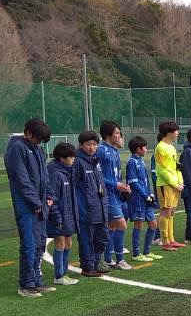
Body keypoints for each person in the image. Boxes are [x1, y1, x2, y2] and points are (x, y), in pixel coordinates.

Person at [5, 119, 53, 297]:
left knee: (40, 243)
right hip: (27, 206)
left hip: (40, 204)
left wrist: (49, 195)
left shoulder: (38, 149)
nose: (39, 142)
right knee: (29, 244)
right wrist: (34, 202)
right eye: (37, 138)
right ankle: (26, 285)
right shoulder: (17, 148)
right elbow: (21, 179)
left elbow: (45, 177)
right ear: (27, 133)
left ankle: (37, 281)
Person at [74, 130, 111, 277]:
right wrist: (80, 207)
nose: (92, 147)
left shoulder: (95, 160)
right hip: (86, 210)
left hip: (100, 208)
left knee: (103, 237)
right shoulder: (78, 162)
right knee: (87, 240)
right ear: (81, 145)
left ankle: (95, 263)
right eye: (88, 144)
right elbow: (74, 187)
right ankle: (87, 267)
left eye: (94, 144)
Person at [97, 121, 133, 269]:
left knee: (111, 226)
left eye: (119, 133)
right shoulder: (101, 150)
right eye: (116, 133)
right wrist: (115, 185)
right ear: (108, 135)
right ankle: (120, 260)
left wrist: (122, 185)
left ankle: (107, 259)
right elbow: (97, 175)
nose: (119, 136)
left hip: (116, 194)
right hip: (107, 195)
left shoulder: (114, 151)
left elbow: (114, 175)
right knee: (121, 224)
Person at [45, 142, 80, 286]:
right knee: (60, 243)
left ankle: (64, 273)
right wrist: (56, 217)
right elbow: (51, 198)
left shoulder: (67, 171)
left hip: (67, 215)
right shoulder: (55, 173)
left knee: (68, 242)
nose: (73, 160)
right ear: (62, 158)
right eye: (71, 158)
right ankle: (59, 276)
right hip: (58, 216)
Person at [124, 136, 162, 262]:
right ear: (138, 149)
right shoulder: (131, 162)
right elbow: (133, 183)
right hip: (137, 199)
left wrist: (150, 193)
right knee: (138, 224)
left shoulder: (141, 161)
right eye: (144, 147)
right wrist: (145, 195)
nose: (146, 149)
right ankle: (136, 254)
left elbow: (145, 180)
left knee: (153, 223)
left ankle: (147, 251)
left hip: (146, 198)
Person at [154, 121, 185, 249]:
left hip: (174, 184)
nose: (177, 133)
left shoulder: (171, 147)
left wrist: (180, 181)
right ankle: (165, 241)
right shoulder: (160, 148)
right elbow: (162, 170)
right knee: (165, 211)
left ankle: (171, 240)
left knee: (171, 211)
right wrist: (174, 184)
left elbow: (176, 166)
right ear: (168, 133)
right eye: (176, 131)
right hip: (165, 184)